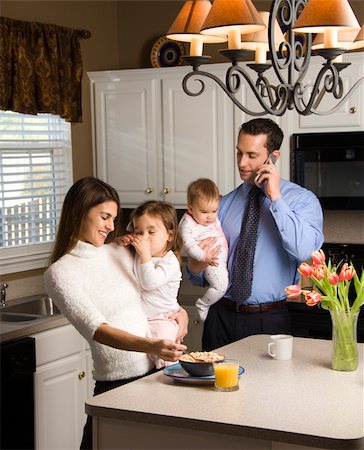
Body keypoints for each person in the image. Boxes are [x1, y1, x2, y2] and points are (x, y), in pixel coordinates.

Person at [43, 177, 187, 450]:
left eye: (114, 218)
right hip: (116, 386)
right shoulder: (60, 273)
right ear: (79, 212)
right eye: (104, 217)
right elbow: (98, 330)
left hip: (154, 377)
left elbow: (153, 293)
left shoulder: (118, 251)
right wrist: (152, 345)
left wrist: (179, 312)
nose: (111, 226)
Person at [187, 118, 324, 351]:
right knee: (213, 385)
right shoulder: (222, 205)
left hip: (269, 320)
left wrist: (275, 198)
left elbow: (303, 250)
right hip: (220, 317)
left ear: (274, 157)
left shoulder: (302, 201)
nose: (242, 162)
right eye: (239, 153)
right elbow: (196, 275)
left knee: (269, 388)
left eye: (251, 155)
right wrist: (195, 266)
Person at [119, 200, 183, 368]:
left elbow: (149, 282)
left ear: (170, 235)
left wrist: (145, 256)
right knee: (141, 360)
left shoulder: (170, 261)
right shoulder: (137, 257)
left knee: (165, 357)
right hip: (141, 319)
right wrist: (121, 243)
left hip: (164, 317)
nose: (144, 238)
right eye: (139, 232)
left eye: (151, 232)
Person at [179, 178, 228, 321]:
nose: (210, 216)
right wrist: (203, 257)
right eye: (204, 212)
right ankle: (203, 304)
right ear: (190, 209)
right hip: (210, 260)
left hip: (218, 259)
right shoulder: (188, 225)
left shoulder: (210, 216)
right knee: (220, 287)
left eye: (214, 211)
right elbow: (189, 246)